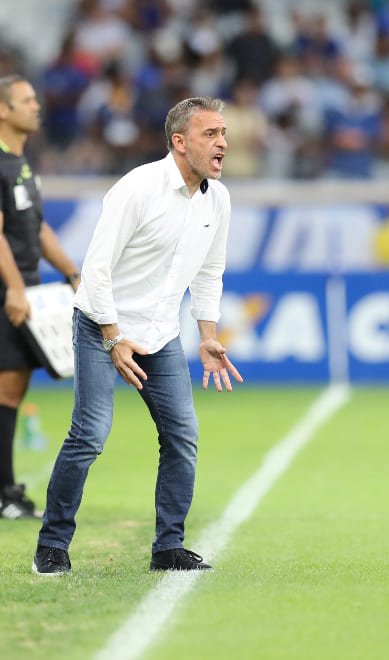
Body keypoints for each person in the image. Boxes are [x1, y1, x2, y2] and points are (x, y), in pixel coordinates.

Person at [33, 97, 243, 576]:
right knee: (90, 435)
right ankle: (52, 546)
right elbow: (96, 269)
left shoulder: (219, 199)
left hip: (161, 333)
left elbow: (209, 273)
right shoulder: (138, 188)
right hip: (100, 324)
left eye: (223, 133)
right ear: (180, 142)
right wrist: (113, 336)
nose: (223, 143)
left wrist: (207, 335)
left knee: (182, 436)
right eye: (211, 134)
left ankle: (168, 547)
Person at [0, 74, 82, 520]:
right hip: (0, 288)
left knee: (15, 388)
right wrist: (14, 287)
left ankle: (6, 489)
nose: (37, 106)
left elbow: (37, 227)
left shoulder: (22, 163)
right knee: (4, 387)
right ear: (2, 109)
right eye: (27, 100)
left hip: (27, 285)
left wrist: (72, 272)